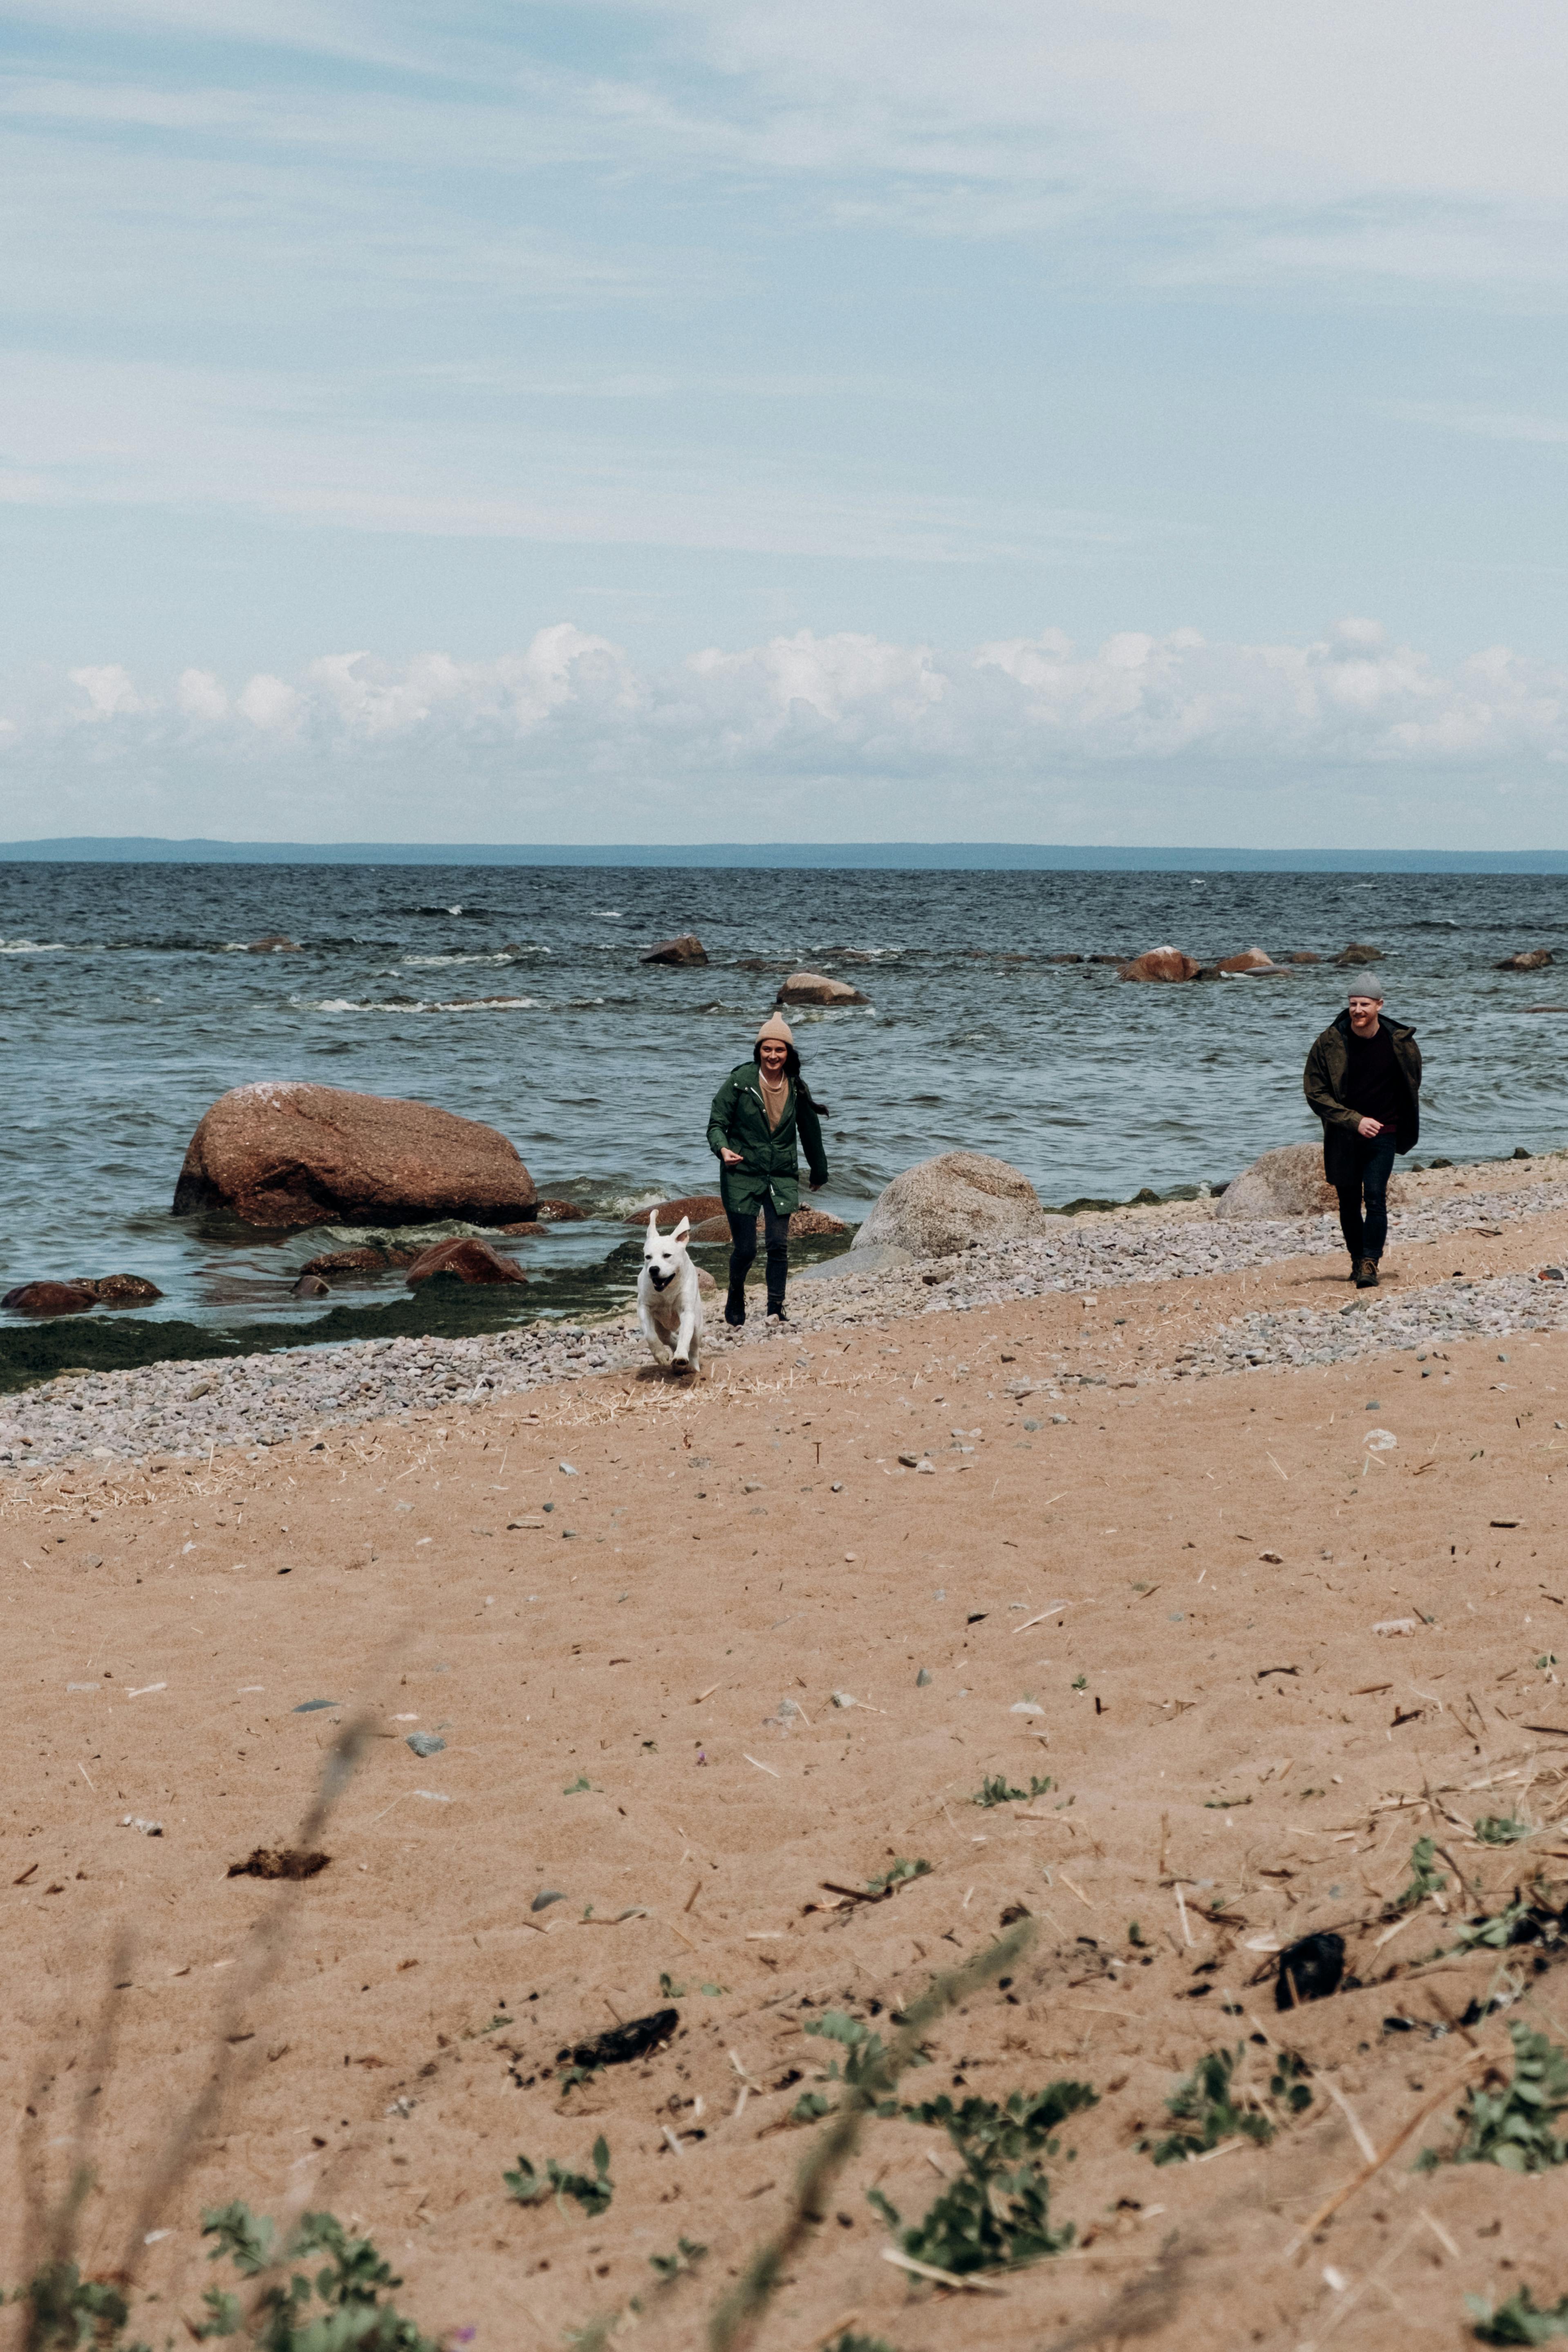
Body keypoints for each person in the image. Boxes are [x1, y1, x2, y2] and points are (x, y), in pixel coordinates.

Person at [706, 1012, 828, 1326]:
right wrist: (722, 1149)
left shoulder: (797, 1089)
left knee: (778, 1245)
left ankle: (776, 1309)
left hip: (781, 1174)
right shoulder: (740, 1082)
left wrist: (819, 1172)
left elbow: (810, 1132)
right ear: (758, 1050)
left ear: (788, 1053)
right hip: (742, 1173)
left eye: (780, 1050)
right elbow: (717, 1123)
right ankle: (736, 1294)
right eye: (767, 1049)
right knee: (746, 1251)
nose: (773, 1056)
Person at [1303, 982, 1422, 1289]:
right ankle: (1357, 1260)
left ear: (1379, 1005)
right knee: (1348, 1202)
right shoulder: (1329, 1042)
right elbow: (1315, 1093)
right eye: (1353, 1004)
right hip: (1344, 1134)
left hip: (1385, 1131)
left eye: (1365, 1004)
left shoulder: (1401, 1041)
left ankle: (1371, 1262)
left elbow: (1412, 1084)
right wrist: (1353, 1121)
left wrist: (1393, 1122)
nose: (1358, 1010)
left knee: (1375, 1197)